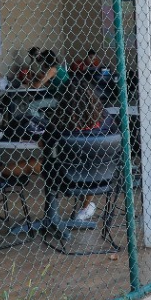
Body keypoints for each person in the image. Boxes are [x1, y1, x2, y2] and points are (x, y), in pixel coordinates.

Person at [42, 76, 109, 222]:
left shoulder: (58, 120)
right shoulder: (105, 118)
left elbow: (44, 143)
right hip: (101, 174)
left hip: (64, 175)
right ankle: (86, 206)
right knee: (91, 161)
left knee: (41, 163)